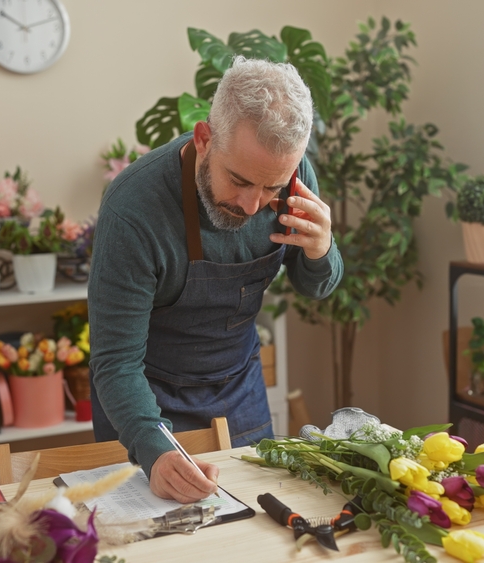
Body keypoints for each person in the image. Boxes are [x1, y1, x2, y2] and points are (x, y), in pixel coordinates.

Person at [88, 56, 343, 503]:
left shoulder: (292, 178)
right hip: (143, 400)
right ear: (204, 138)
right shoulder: (134, 209)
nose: (251, 205)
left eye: (271, 189)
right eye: (239, 180)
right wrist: (154, 447)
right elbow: (115, 363)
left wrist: (323, 251)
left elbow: (315, 285)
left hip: (239, 390)